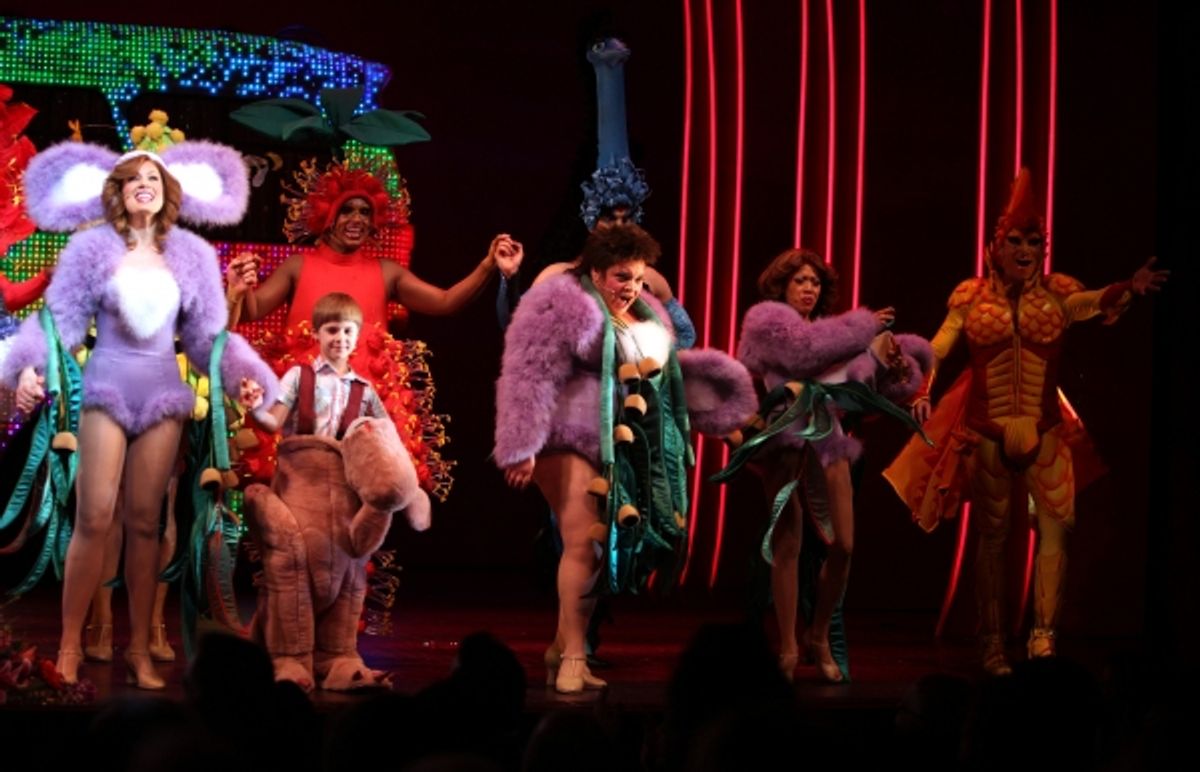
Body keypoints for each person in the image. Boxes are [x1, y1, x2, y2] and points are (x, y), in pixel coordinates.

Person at [3, 140, 277, 688]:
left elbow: (206, 339)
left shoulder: (192, 256)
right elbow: (58, 325)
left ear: (168, 191)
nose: (144, 184)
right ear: (120, 194)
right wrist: (29, 370)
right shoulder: (91, 252)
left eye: (153, 177)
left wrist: (243, 378)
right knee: (95, 517)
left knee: (147, 524)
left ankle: (139, 651)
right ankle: (71, 644)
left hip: (162, 393)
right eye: (133, 180)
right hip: (104, 388)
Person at [885, 169, 1169, 675]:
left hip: (1044, 431)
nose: (1024, 249)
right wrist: (921, 386)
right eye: (1014, 240)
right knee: (992, 536)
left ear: (1043, 247)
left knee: (1059, 529)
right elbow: (940, 346)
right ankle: (991, 642)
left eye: (1033, 241)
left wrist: (1130, 287)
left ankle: (1043, 638)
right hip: (987, 432)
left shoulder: (1058, 295)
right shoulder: (970, 299)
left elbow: (1092, 302)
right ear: (995, 245)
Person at [494, 223, 755, 693]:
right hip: (564, 435)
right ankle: (575, 654)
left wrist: (719, 417)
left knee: (597, 548)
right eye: (620, 277)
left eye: (636, 278)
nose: (630, 287)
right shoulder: (560, 302)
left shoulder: (647, 314)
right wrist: (520, 445)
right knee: (585, 541)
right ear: (594, 270)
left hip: (619, 444)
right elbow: (527, 370)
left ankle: (561, 648)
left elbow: (664, 382)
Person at [224, 163, 522, 498]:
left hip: (360, 411)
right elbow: (251, 310)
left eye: (365, 211)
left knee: (358, 497)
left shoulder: (386, 273)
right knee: (300, 497)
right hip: (302, 408)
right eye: (347, 210)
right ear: (328, 216)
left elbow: (446, 301)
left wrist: (487, 265)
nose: (357, 219)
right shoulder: (298, 266)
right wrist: (239, 289)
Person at [734, 248, 931, 682]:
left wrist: (896, 366)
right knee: (787, 546)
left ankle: (818, 633)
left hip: (830, 441)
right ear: (782, 285)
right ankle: (786, 646)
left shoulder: (838, 338)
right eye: (800, 281)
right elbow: (804, 353)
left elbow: (865, 392)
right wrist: (865, 328)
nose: (808, 289)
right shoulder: (768, 323)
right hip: (785, 440)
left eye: (815, 283)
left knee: (843, 545)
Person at [250, 291, 387, 436]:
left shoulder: (365, 389)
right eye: (332, 330)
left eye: (348, 331)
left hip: (343, 458)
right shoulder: (297, 376)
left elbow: (387, 435)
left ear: (357, 336)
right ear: (315, 333)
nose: (341, 338)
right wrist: (255, 406)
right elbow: (273, 423)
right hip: (300, 458)